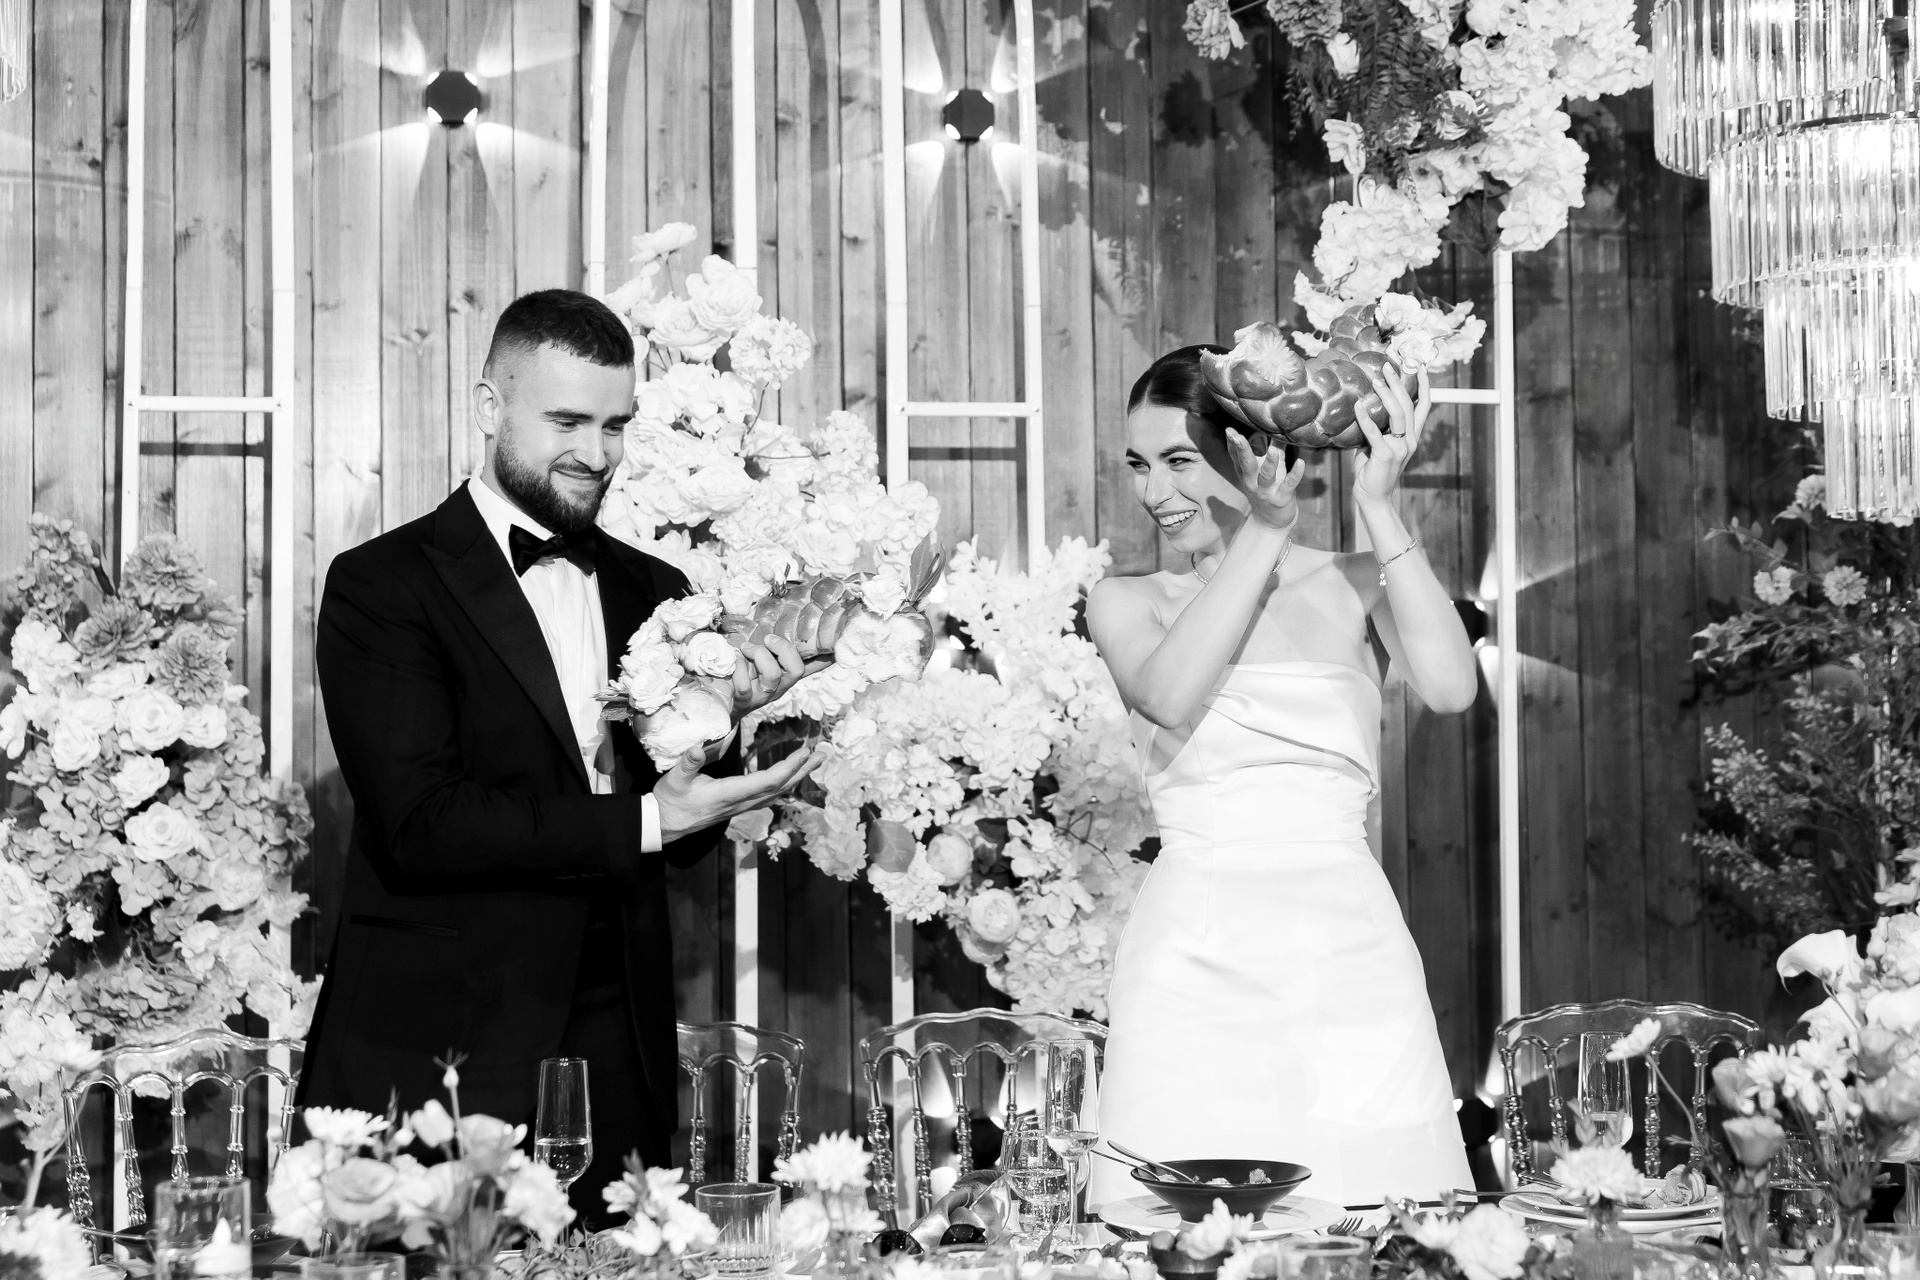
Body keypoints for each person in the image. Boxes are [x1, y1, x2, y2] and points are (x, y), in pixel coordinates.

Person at [297, 290, 820, 1221]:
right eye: (567, 422)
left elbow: (680, 832)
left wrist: (727, 720)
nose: (597, 452)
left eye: (615, 424)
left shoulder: (658, 591)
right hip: (440, 1049)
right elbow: (422, 825)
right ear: (490, 408)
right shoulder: (383, 585)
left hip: (617, 1051)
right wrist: (651, 818)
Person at [1085, 344, 1477, 1211]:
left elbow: (1452, 688)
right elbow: (1169, 694)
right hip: (1193, 953)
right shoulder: (1129, 600)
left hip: (1347, 949)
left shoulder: (1353, 583)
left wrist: (1379, 505)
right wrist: (1265, 531)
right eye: (1140, 465)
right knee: (1175, 1228)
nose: (1155, 492)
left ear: (1252, 449)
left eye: (1179, 460)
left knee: (1381, 1220)